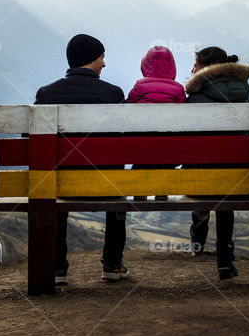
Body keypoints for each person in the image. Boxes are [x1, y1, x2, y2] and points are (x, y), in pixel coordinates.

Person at [34, 33, 128, 285]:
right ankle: (112, 265)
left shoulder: (46, 94)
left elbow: (29, 139)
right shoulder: (113, 93)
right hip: (106, 182)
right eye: (102, 57)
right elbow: (127, 140)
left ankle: (56, 269)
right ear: (91, 60)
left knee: (53, 190)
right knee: (117, 190)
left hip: (60, 182)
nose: (104, 64)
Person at [184, 46, 249, 280]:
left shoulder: (196, 96)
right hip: (236, 177)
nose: (192, 70)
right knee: (227, 188)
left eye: (195, 65)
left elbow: (186, 138)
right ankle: (225, 260)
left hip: (199, 178)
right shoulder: (243, 93)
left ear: (205, 68)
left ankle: (198, 240)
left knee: (201, 172)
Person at [127, 45, 185, 201]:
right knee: (165, 156)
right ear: (172, 66)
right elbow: (183, 115)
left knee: (140, 158)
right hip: (168, 146)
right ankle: (162, 192)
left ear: (145, 65)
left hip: (141, 144)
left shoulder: (140, 85)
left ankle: (139, 193)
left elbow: (128, 108)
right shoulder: (178, 89)